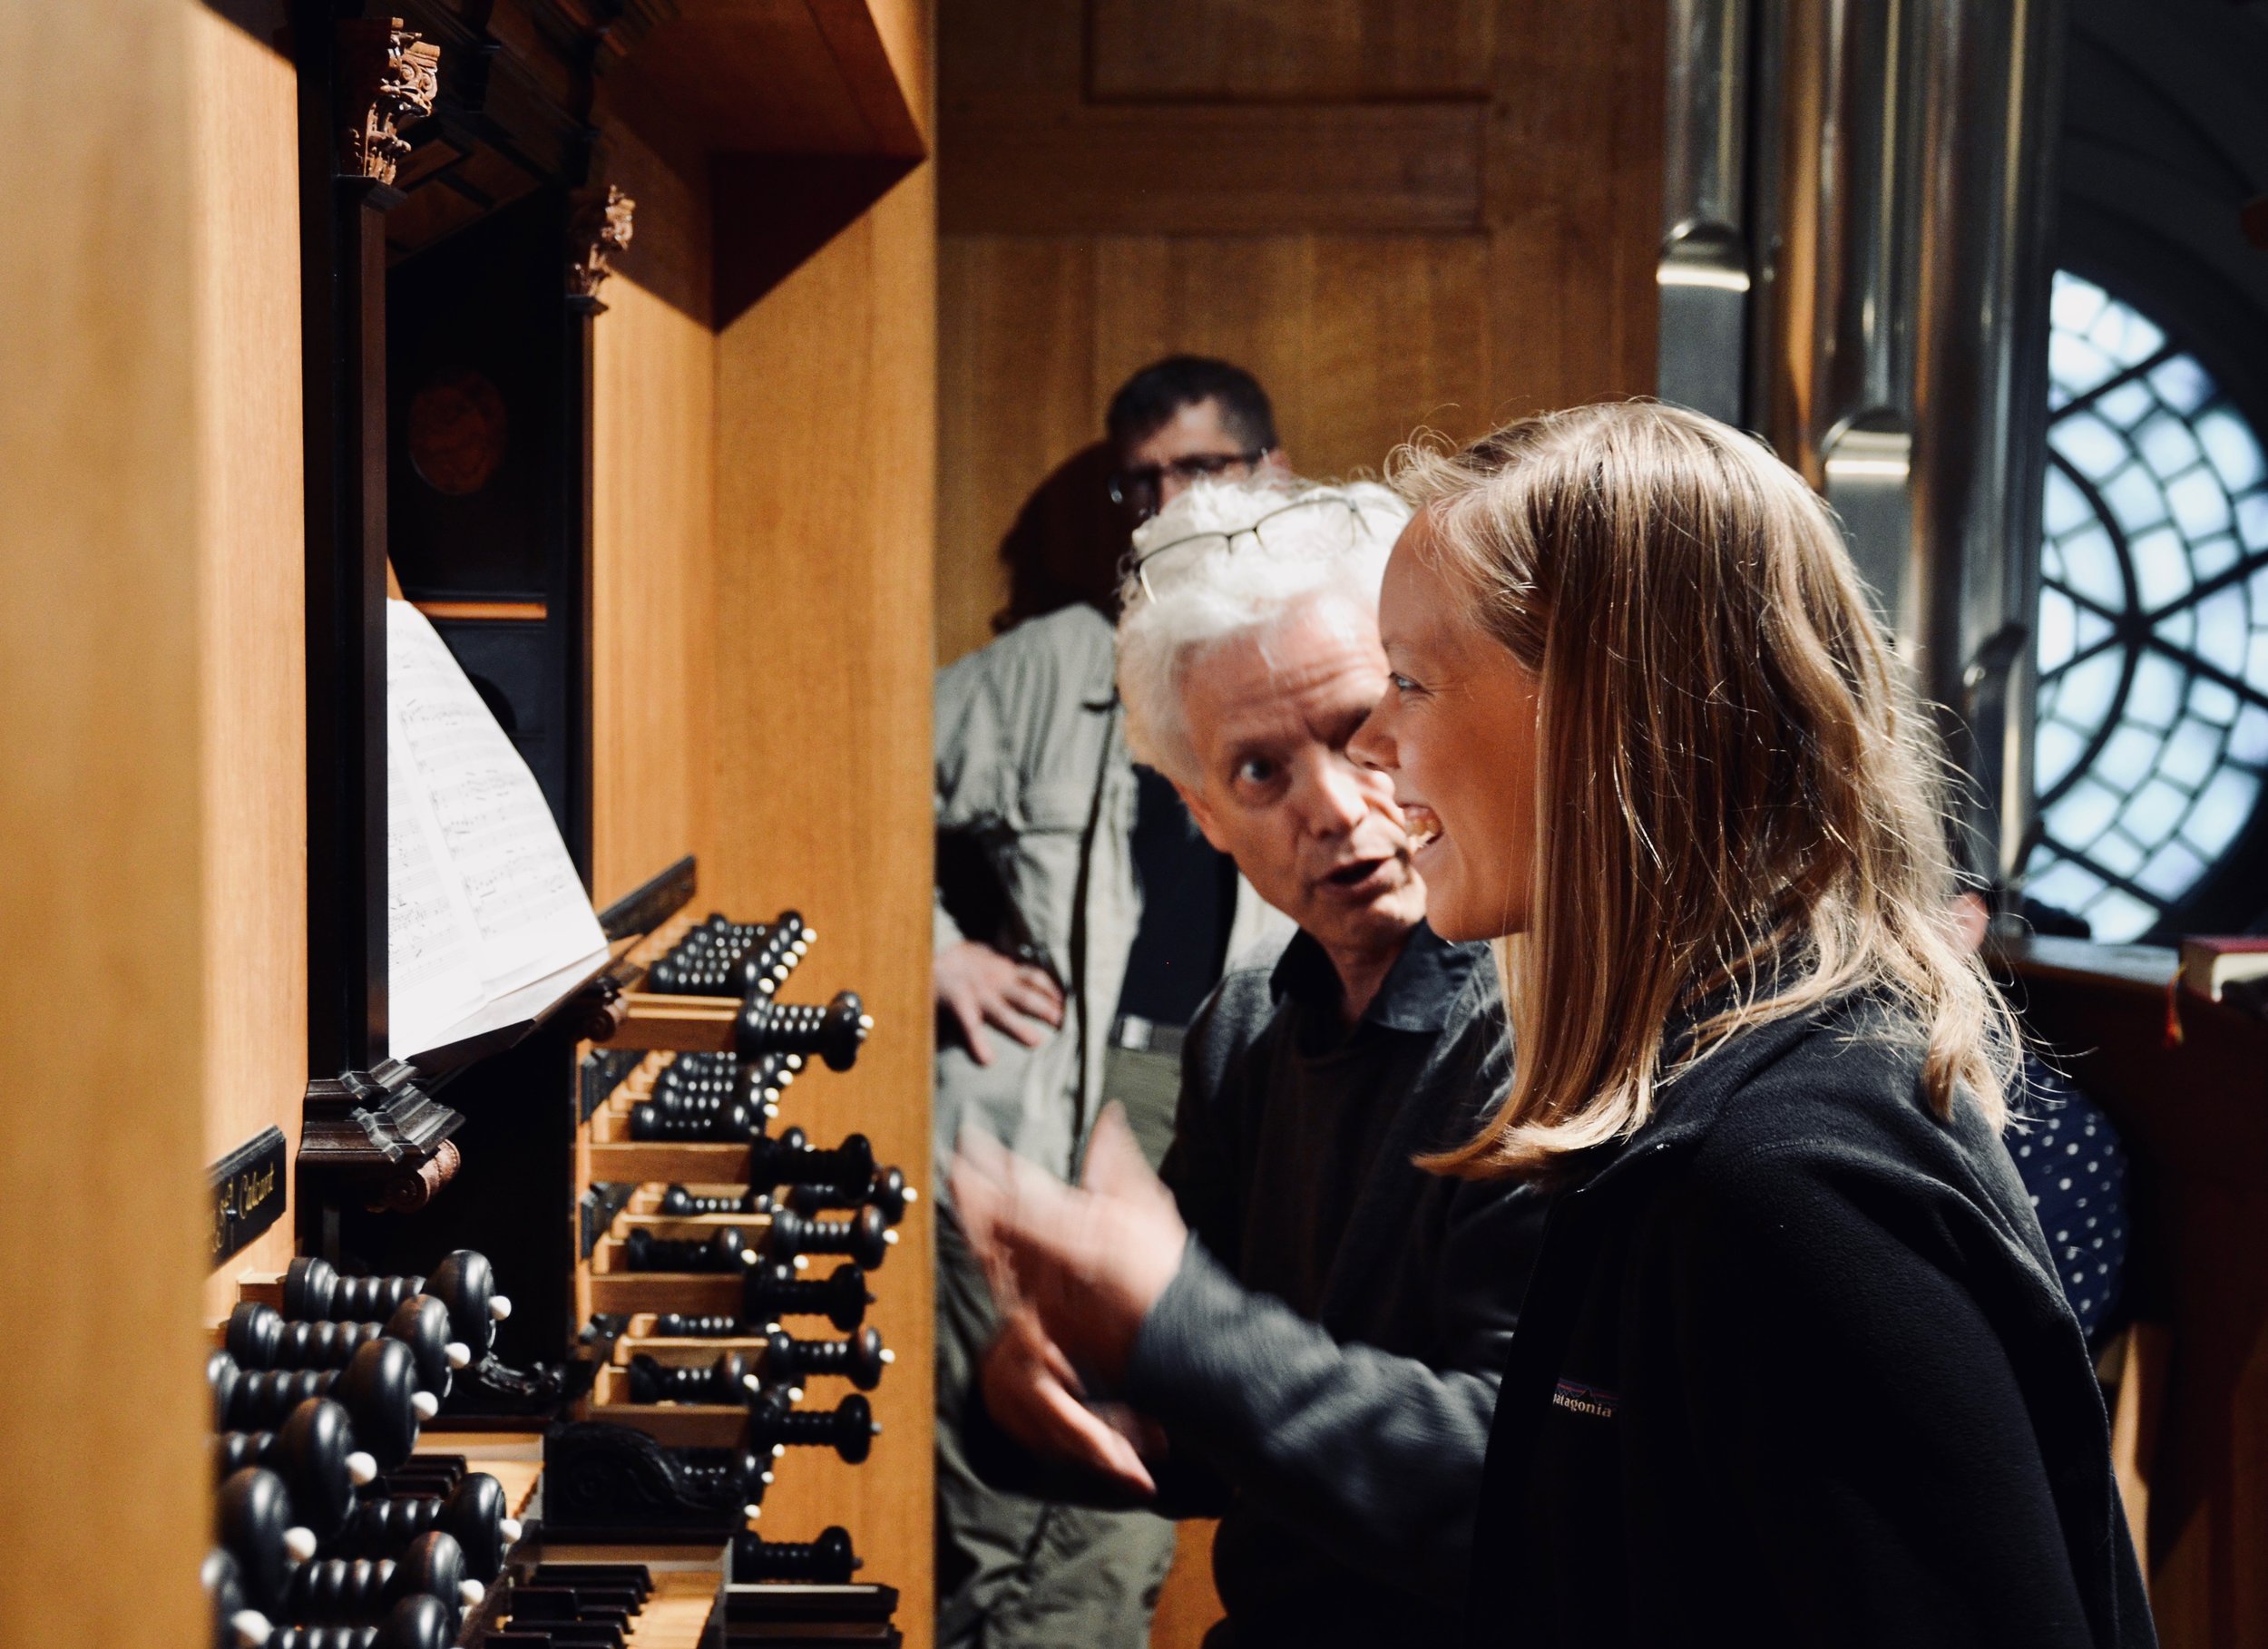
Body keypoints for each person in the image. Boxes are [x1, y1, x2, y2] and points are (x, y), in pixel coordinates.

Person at [1340, 403, 2153, 1646]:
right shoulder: (1697, 1114)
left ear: (1601, 712)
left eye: (1410, 678)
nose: (1371, 739)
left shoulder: (1791, 1178)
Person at [951, 477, 1548, 1649]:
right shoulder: (1246, 1027)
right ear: (1204, 815)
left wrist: (1172, 1326)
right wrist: (1042, 1393)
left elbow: (1513, 1493)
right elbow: (1225, 1422)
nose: (1331, 807)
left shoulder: (1545, 1022)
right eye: (1259, 773)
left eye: (1363, 731)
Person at [933, 357, 1293, 1649]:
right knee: (1001, 1517)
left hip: (1216, 1124)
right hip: (1039, 1126)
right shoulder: (1053, 667)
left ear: (1271, 474)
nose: (1162, 503)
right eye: (1137, 480)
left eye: (1195, 469)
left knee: (1120, 1499)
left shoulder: (1318, 662)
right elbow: (841, 785)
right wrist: (936, 953)